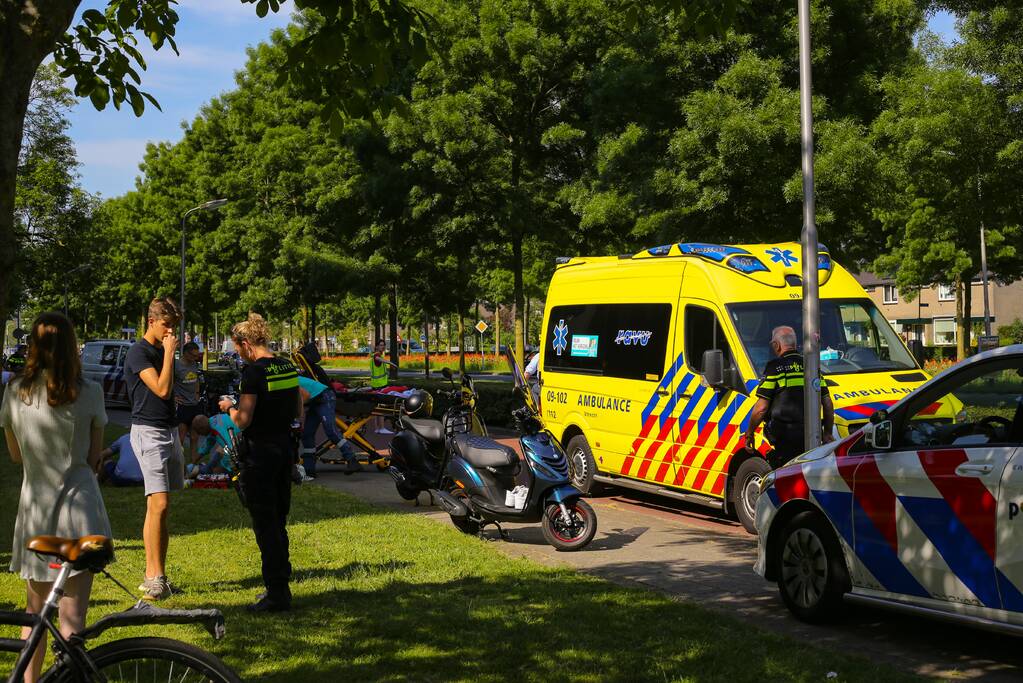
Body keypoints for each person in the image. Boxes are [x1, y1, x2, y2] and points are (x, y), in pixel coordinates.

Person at [1, 312, 112, 683]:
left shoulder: (15, 391)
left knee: (34, 618)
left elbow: (16, 455)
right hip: (80, 509)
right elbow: (95, 456)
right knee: (72, 621)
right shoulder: (91, 391)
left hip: (37, 510)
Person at [218, 313, 301, 613]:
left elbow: (243, 420)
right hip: (283, 449)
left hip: (260, 454)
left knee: (265, 523)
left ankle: (276, 593)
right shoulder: (286, 366)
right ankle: (282, 583)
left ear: (245, 344)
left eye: (237, 348)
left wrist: (229, 407)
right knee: (279, 520)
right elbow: (299, 403)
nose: (237, 353)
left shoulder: (253, 373)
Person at [124, 296, 182, 601]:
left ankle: (156, 574)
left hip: (170, 430)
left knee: (161, 507)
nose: (171, 332)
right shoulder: (139, 352)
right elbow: (160, 388)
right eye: (167, 325)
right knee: (158, 504)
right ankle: (155, 577)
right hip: (149, 432)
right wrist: (170, 356)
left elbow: (173, 390)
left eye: (174, 327)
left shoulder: (162, 350)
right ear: (151, 321)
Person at [744, 325, 835, 465]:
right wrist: (828, 432)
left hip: (785, 437)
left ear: (776, 345)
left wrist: (750, 432)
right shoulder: (811, 365)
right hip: (812, 434)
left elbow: (761, 408)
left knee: (788, 474)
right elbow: (827, 402)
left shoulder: (775, 367)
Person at [298, 374, 359, 478]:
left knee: (330, 430)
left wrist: (297, 417)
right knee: (307, 434)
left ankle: (352, 459)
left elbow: (303, 398)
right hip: (315, 400)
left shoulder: (290, 384)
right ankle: (309, 469)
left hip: (325, 397)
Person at [175, 342, 204, 464]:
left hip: (194, 405)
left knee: (194, 437)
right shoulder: (175, 365)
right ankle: (179, 467)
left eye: (197, 356)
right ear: (186, 353)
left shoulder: (194, 364)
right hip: (182, 406)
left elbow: (196, 378)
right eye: (194, 355)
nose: (196, 358)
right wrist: (172, 397)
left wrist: (197, 392)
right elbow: (167, 381)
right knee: (180, 439)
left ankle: (193, 466)